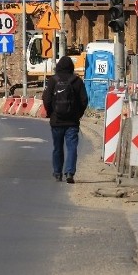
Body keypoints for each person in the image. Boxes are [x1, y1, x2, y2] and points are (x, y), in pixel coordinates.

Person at [41, 55, 89, 184]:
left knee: (57, 147)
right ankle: (69, 172)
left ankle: (57, 173)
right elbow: (84, 100)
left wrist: (52, 113)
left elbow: (46, 99)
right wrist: (78, 114)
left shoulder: (53, 80)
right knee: (72, 147)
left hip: (56, 121)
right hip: (72, 122)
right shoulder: (77, 81)